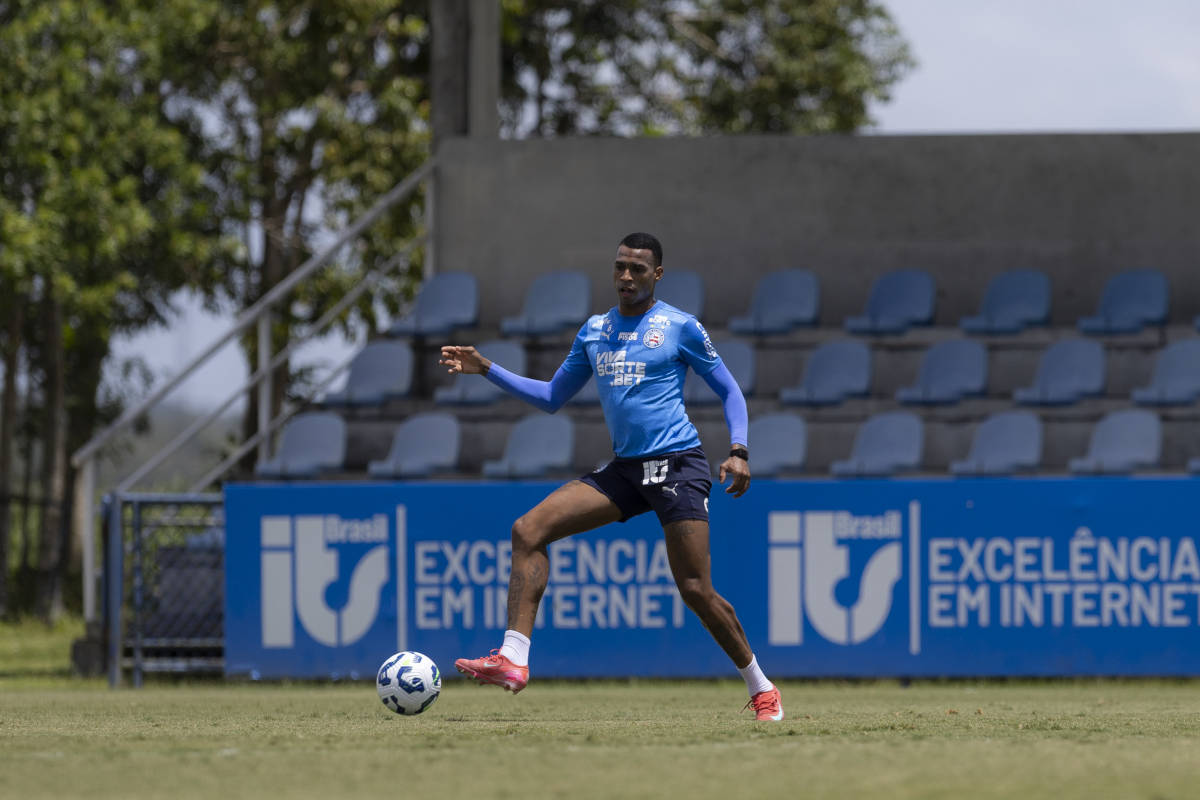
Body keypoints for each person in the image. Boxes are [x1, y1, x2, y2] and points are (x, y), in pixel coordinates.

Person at [440, 232, 783, 721]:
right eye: (620, 267)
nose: (625, 276)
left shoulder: (679, 327)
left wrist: (739, 450)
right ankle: (514, 657)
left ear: (657, 275)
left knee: (694, 589)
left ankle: (761, 687)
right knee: (528, 531)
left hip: (678, 465)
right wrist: (486, 368)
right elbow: (552, 397)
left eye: (637, 269)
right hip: (626, 469)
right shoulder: (595, 330)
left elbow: (729, 390)